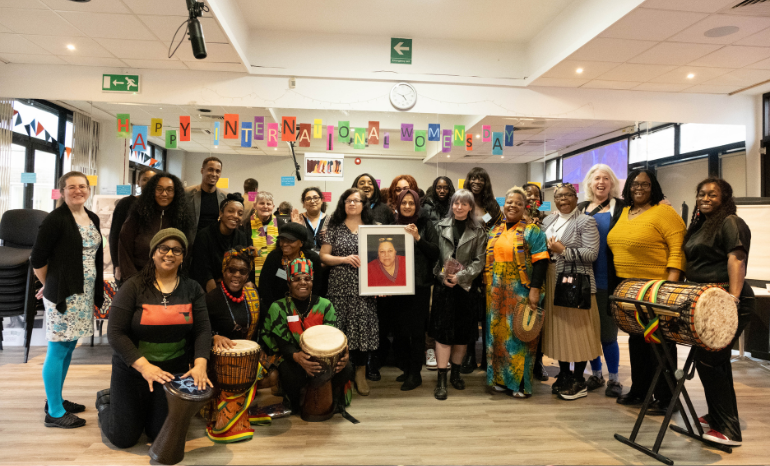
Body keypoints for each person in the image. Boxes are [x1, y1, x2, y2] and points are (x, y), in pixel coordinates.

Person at [97, 229, 212, 448]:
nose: (170, 254)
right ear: (153, 253)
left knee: (158, 434)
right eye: (164, 248)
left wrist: (200, 365)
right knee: (124, 438)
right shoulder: (133, 286)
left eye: (176, 250)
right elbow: (115, 333)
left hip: (172, 372)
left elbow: (203, 330)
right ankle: (105, 402)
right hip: (133, 370)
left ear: (183, 256)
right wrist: (144, 367)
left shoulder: (192, 288)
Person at [607, 169, 686, 414]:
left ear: (654, 188)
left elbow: (678, 249)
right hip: (628, 288)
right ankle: (640, 391)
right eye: (635, 184)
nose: (639, 188)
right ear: (628, 187)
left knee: (660, 342)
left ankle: (666, 398)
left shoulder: (664, 212)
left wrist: (669, 286)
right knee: (637, 341)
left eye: (645, 184)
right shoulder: (624, 212)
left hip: (656, 288)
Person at [31, 171, 104, 429]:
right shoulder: (55, 220)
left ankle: (56, 399)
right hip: (64, 295)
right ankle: (54, 411)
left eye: (82, 186)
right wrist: (49, 284)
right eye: (71, 187)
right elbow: (37, 259)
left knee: (69, 347)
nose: (78, 191)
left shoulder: (91, 217)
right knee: (58, 349)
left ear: (88, 190)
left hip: (82, 294)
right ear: (62, 191)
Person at [684, 177, 753, 446]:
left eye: (712, 194)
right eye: (701, 194)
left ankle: (729, 430)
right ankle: (717, 416)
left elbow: (736, 259)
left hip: (728, 301)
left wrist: (732, 301)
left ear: (725, 198)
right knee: (712, 362)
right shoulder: (701, 224)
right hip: (707, 301)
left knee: (712, 361)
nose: (705, 198)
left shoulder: (730, 222)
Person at [261, 258, 353, 414]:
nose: (303, 282)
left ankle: (333, 399)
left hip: (322, 353)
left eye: (307, 278)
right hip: (291, 354)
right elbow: (282, 343)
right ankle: (296, 403)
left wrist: (343, 353)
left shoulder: (325, 305)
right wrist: (299, 358)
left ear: (312, 281)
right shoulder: (278, 307)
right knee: (290, 374)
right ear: (289, 282)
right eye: (297, 279)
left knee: (346, 368)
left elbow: (333, 337)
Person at [485, 187, 549, 398]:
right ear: (504, 204)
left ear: (525, 208)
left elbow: (541, 263)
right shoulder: (495, 230)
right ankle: (502, 380)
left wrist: (534, 290)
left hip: (521, 292)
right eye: (510, 202)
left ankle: (521, 384)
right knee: (499, 337)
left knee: (520, 337)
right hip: (497, 294)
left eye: (518, 203)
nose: (513, 206)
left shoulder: (533, 231)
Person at [541, 183, 602, 401]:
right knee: (560, 331)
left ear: (576, 198)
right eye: (558, 196)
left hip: (575, 283)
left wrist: (564, 251)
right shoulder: (548, 220)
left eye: (567, 195)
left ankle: (579, 379)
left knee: (578, 332)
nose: (563, 199)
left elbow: (591, 253)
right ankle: (565, 375)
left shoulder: (585, 221)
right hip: (552, 280)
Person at [378, 189, 440, 390]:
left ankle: (415, 373)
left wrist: (417, 237)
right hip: (396, 286)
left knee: (416, 332)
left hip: (419, 286)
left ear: (417, 205)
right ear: (397, 204)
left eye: (411, 203)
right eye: (403, 203)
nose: (406, 206)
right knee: (400, 330)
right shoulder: (391, 226)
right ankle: (406, 368)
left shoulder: (425, 224)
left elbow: (434, 252)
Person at [429, 189, 487, 400]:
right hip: (444, 289)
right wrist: (440, 276)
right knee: (443, 336)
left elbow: (479, 261)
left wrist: (461, 277)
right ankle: (441, 379)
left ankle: (455, 373)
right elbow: (434, 257)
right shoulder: (439, 227)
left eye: (464, 204)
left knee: (462, 336)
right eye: (456, 203)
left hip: (466, 289)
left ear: (470, 207)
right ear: (451, 205)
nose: (459, 207)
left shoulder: (479, 229)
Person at [320, 188, 379, 396]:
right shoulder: (333, 226)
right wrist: (344, 259)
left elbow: (382, 259)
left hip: (366, 288)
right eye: (348, 200)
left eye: (357, 200)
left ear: (365, 204)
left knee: (362, 330)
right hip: (339, 286)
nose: (352, 204)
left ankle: (360, 372)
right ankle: (340, 371)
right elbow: (324, 256)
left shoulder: (374, 228)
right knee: (339, 328)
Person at [577, 165, 625, 398]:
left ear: (612, 183)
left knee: (607, 333)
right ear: (590, 182)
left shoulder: (623, 208)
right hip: (584, 279)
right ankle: (596, 373)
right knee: (589, 331)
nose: (601, 182)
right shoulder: (581, 209)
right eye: (597, 178)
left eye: (606, 178)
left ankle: (614, 379)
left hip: (609, 278)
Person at [464, 167, 503, 374]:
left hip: (489, 263)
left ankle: (488, 357)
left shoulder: (492, 206)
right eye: (473, 178)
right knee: (470, 312)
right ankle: (470, 354)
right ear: (468, 181)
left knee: (488, 312)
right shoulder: (464, 202)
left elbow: (498, 230)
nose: (476, 182)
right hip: (468, 262)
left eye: (480, 179)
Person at [118, 173, 192, 280]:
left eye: (169, 190)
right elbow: (124, 248)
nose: (164, 193)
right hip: (138, 278)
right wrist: (133, 282)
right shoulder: (137, 215)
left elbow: (186, 252)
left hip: (170, 279)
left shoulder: (182, 219)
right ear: (152, 191)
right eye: (159, 189)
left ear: (176, 193)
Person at [259, 222, 323, 313]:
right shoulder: (274, 257)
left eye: (290, 241)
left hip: (306, 307)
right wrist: (275, 309)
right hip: (277, 307)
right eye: (282, 240)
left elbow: (318, 287)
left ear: (301, 243)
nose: (284, 244)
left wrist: (309, 308)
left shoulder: (312, 258)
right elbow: (264, 286)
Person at [191, 193, 250, 292]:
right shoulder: (204, 235)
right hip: (206, 287)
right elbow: (203, 271)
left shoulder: (241, 237)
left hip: (232, 284)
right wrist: (218, 297)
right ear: (221, 213)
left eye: (240, 213)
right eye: (231, 211)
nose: (235, 216)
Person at [109, 167, 157, 280]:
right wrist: (117, 265)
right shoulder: (125, 203)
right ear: (138, 182)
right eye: (145, 179)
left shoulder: (159, 206)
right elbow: (115, 235)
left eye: (153, 180)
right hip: (127, 263)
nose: (149, 182)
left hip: (152, 265)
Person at [185, 157, 227, 245]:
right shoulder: (187, 194)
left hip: (215, 244)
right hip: (192, 245)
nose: (214, 174)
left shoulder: (225, 197)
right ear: (202, 170)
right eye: (210, 170)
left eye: (217, 171)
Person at [242, 191, 278, 283]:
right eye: (261, 203)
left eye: (268, 204)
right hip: (252, 274)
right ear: (255, 206)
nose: (265, 206)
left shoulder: (280, 224)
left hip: (276, 272)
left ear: (273, 207)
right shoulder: (246, 225)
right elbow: (242, 250)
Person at [298, 187, 328, 252]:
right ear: (303, 204)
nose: (312, 201)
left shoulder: (332, 221)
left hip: (325, 260)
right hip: (302, 259)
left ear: (322, 201)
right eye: (308, 199)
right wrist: (295, 228)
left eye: (315, 198)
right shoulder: (297, 219)